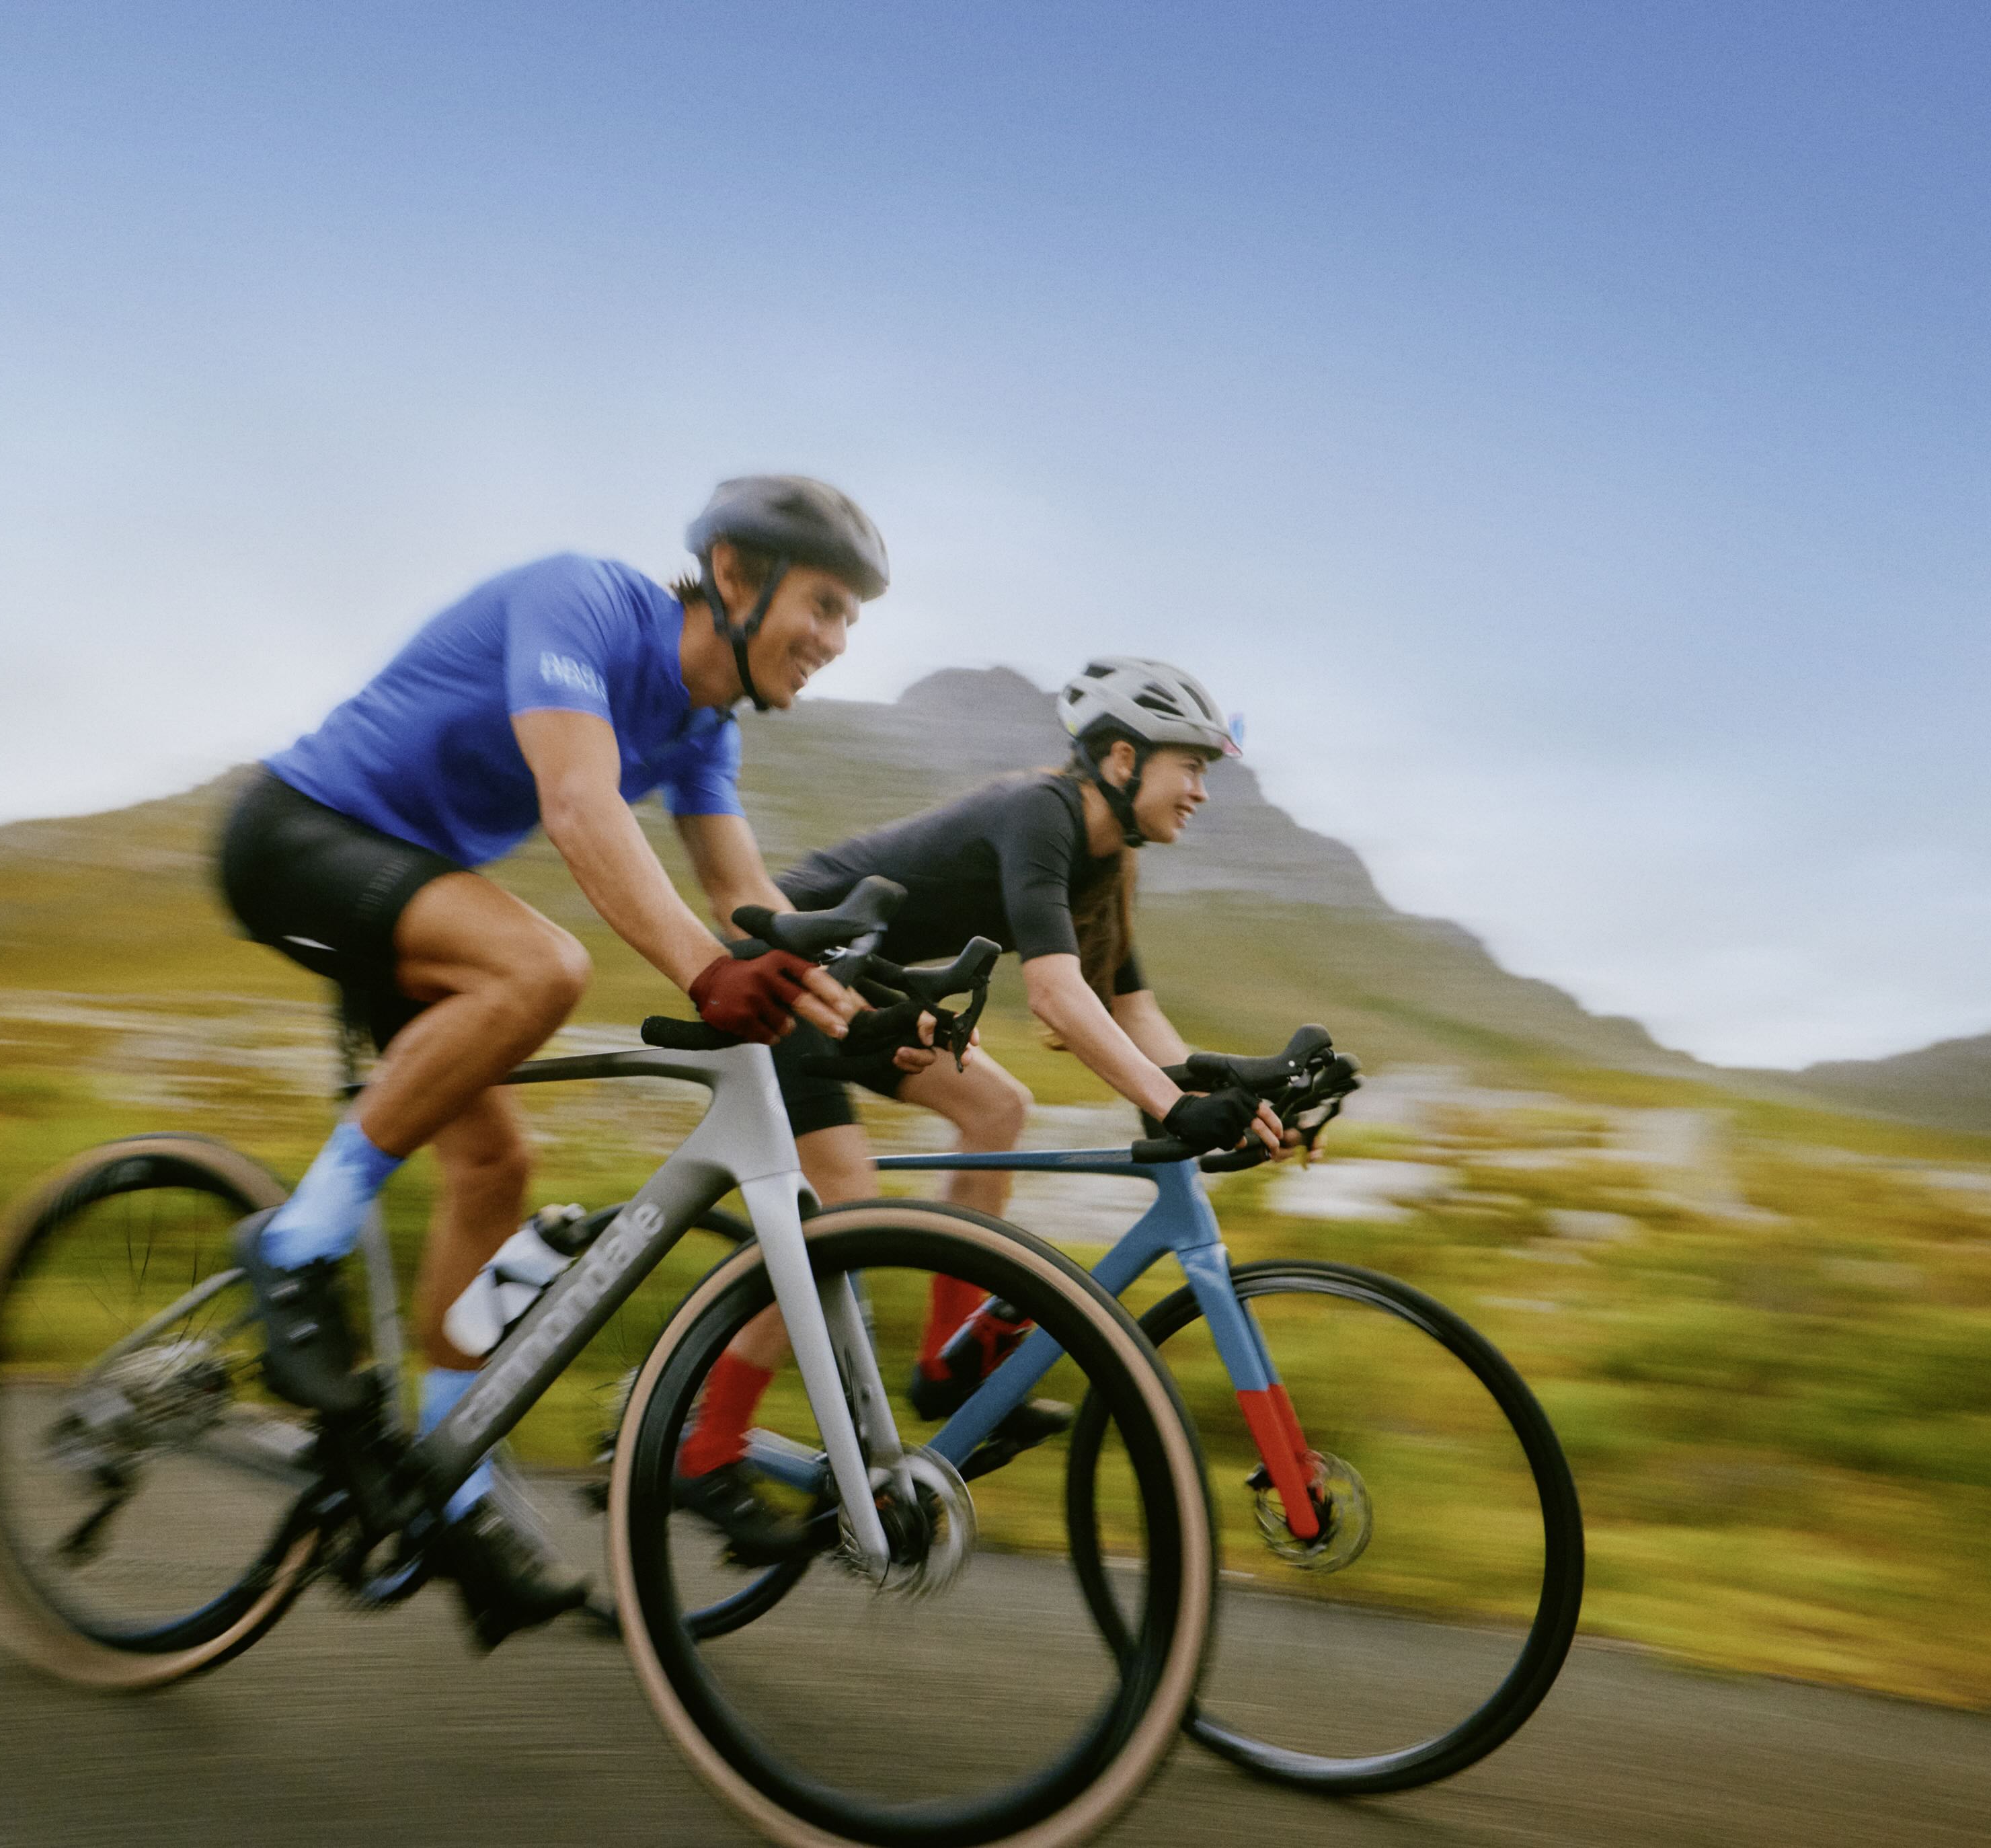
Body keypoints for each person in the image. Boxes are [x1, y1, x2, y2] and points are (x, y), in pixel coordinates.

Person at [215, 475, 889, 1646]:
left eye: (851, 620)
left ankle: (451, 1487)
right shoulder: (582, 603)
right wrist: (705, 975)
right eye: (823, 606)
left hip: (402, 897)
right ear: (735, 576)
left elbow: (745, 898)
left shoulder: (705, 727)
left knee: (495, 1171)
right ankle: (295, 1247)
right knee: (540, 969)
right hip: (298, 839)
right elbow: (578, 804)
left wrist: (864, 1016)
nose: (834, 640)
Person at [672, 657, 1292, 1559]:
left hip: (867, 990)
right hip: (787, 968)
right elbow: (1055, 998)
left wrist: (1232, 1100)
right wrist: (1168, 1102)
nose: (1201, 790)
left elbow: (1128, 1009)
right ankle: (706, 1446)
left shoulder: (1106, 861)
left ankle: (945, 1359)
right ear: (1123, 759)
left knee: (998, 1108)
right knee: (843, 1207)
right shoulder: (1040, 814)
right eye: (1190, 766)